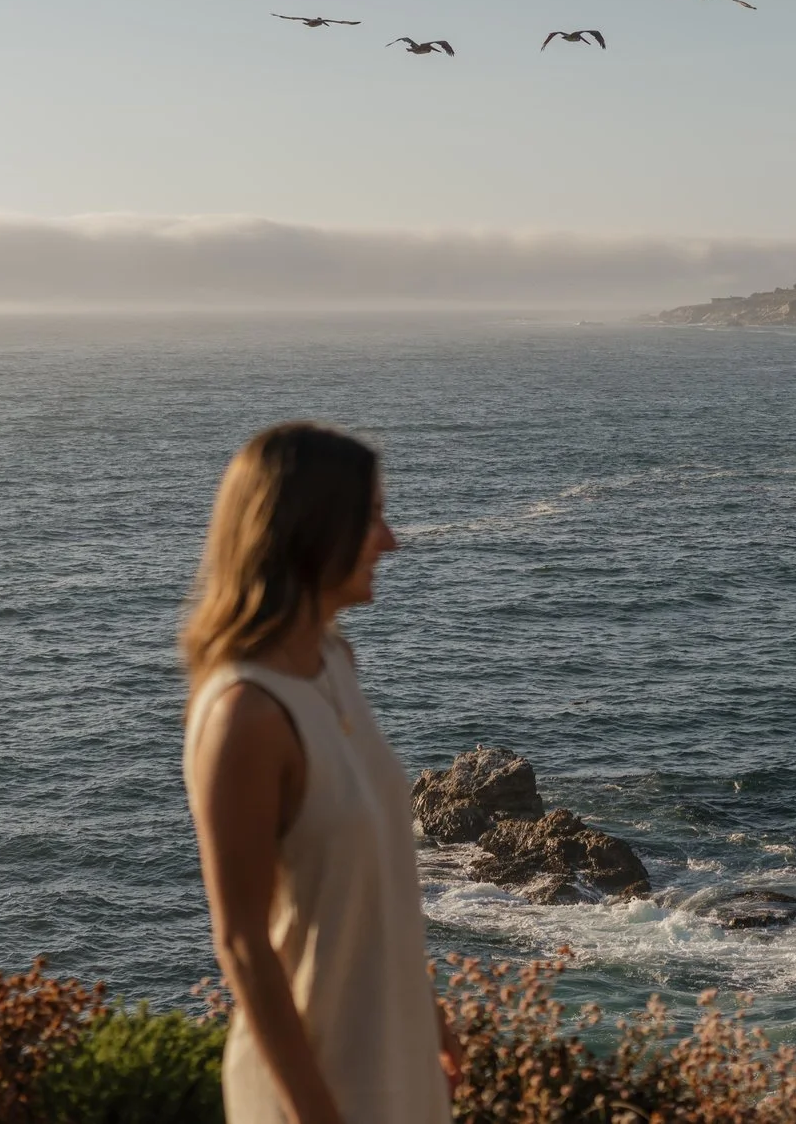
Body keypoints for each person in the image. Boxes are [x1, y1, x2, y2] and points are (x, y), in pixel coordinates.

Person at [180, 422, 457, 1124]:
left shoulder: (335, 664)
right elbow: (242, 942)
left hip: (389, 1058)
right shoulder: (245, 713)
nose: (390, 540)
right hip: (319, 1085)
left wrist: (425, 1010)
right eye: (369, 518)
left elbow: (370, 878)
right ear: (308, 529)